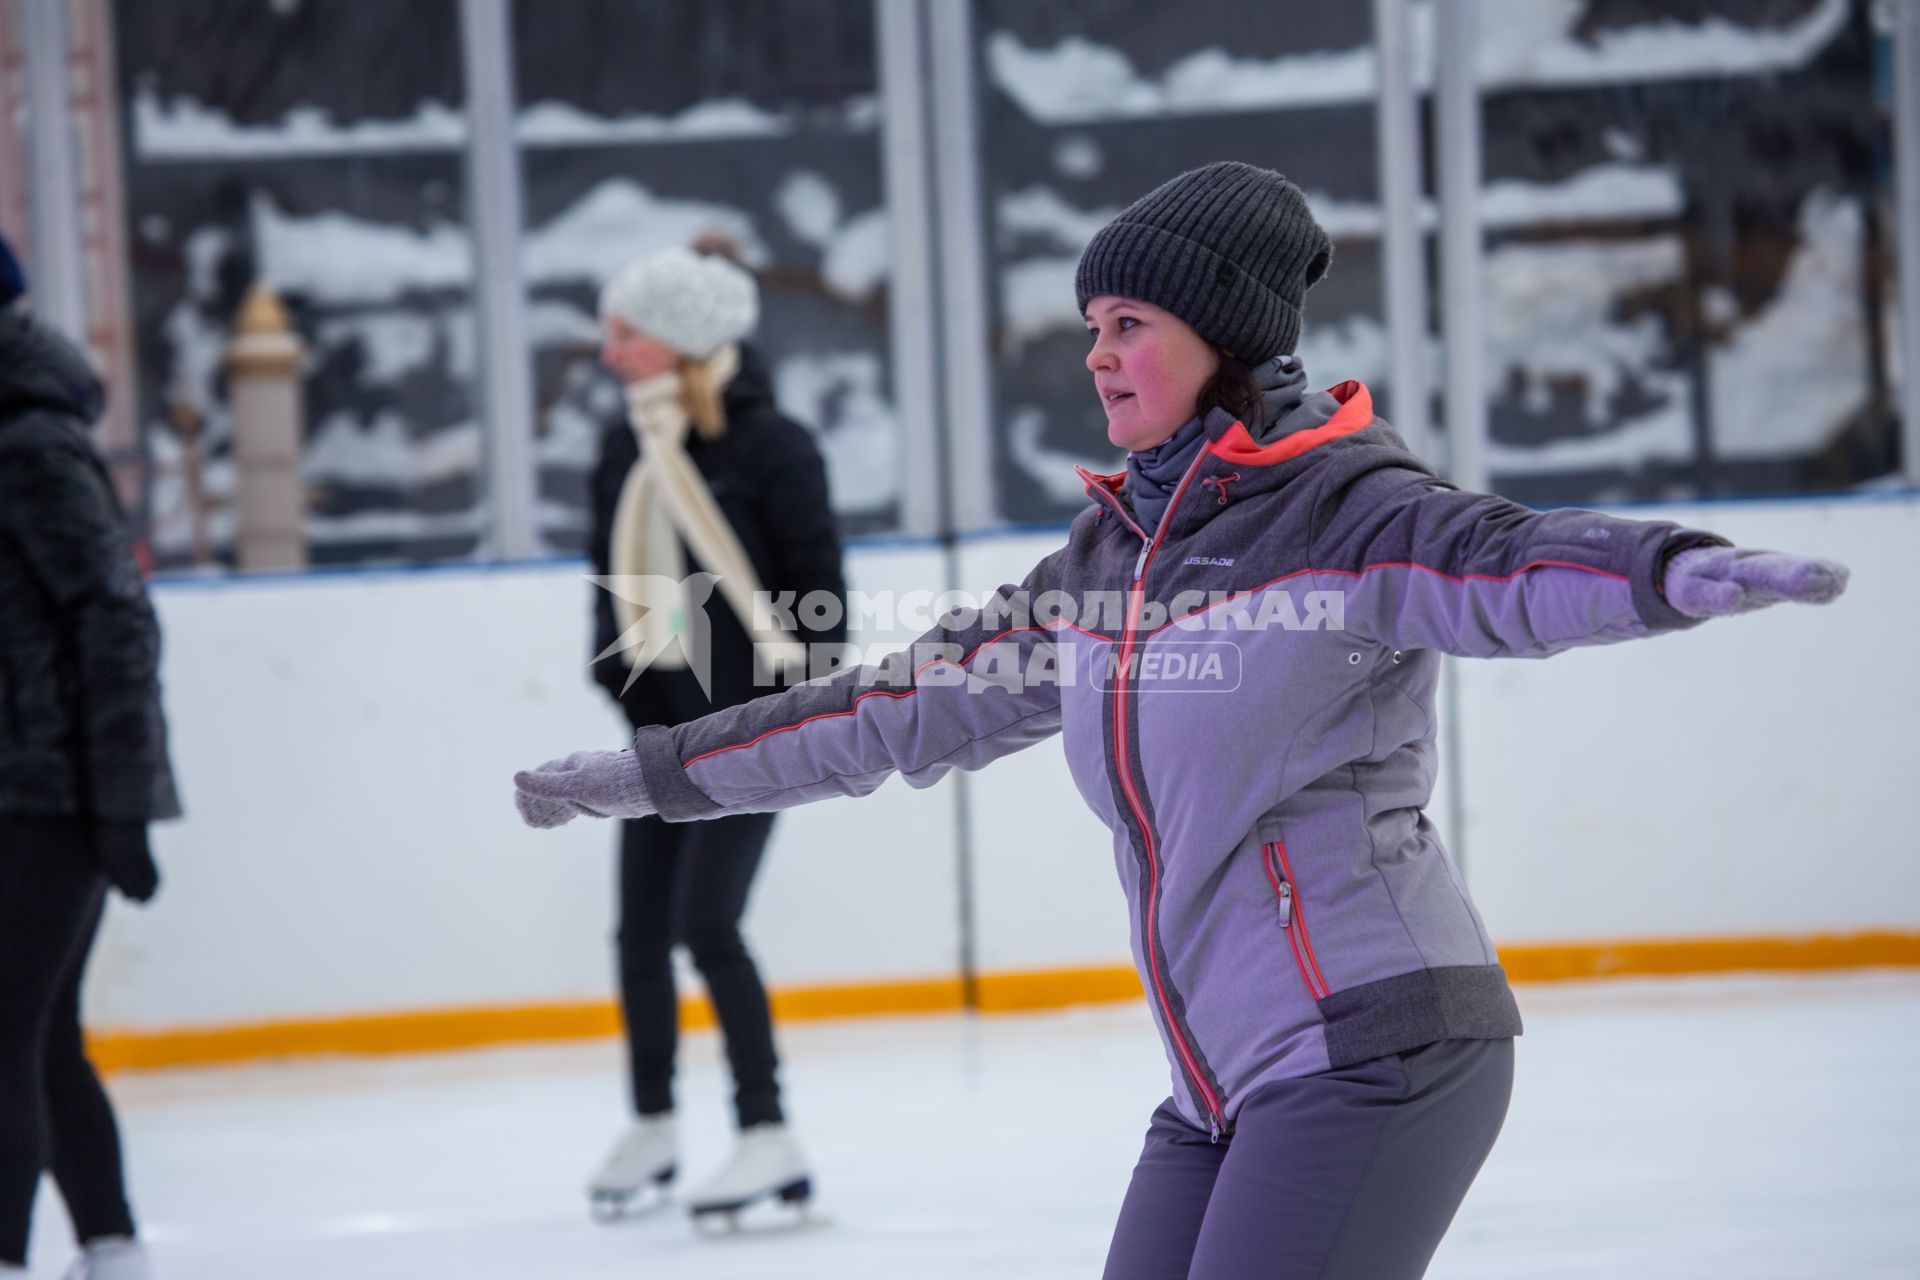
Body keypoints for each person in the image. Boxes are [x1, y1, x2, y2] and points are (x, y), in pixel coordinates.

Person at [515, 163, 1849, 1275]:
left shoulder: (1349, 515)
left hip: (1375, 1046)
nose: (1096, 354)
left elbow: (1504, 563)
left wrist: (1670, 571)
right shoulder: (1104, 566)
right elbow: (892, 710)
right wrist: (656, 772)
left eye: (1130, 323)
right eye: (1091, 325)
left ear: (1223, 336)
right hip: (1218, 1086)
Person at [579, 239, 847, 1221]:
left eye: (624, 332)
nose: (607, 352)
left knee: (707, 922)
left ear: (681, 341)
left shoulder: (773, 449)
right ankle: (652, 1120)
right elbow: (607, 604)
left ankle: (767, 1130)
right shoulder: (622, 450)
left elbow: (820, 602)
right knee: (639, 932)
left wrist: (784, 722)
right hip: (658, 732)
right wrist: (638, 711)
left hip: (757, 731)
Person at [0, 234, 178, 1280]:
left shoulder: (28, 445)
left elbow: (117, 619)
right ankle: (111, 1244)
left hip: (51, 789)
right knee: (40, 1028)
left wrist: (120, 800)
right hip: (23, 778)